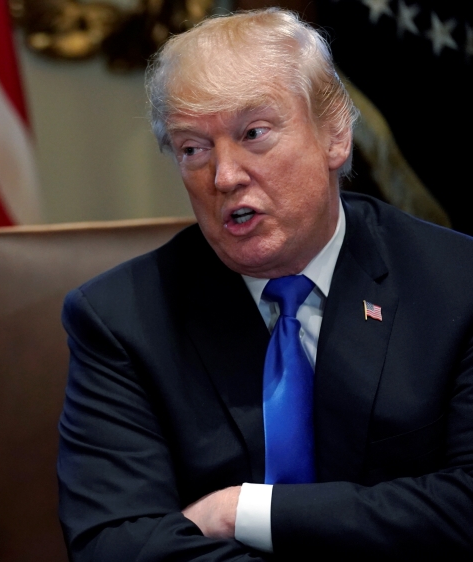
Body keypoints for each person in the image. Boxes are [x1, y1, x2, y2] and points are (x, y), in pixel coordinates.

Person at [57, 8, 472, 561]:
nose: (224, 176)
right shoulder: (120, 320)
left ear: (335, 136)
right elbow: (115, 542)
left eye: (254, 133)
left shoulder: (456, 285)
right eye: (192, 149)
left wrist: (243, 512)